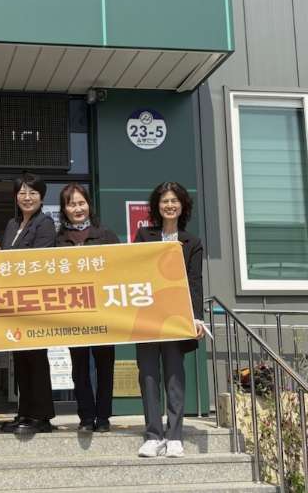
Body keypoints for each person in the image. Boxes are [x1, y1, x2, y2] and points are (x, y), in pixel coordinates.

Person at [134, 181, 205, 459]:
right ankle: (154, 436)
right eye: (164, 201)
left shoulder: (192, 242)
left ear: (183, 205)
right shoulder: (144, 235)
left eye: (174, 200)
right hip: (148, 317)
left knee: (175, 376)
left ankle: (174, 436)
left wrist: (197, 318)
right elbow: (135, 271)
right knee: (149, 376)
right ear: (157, 206)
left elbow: (195, 282)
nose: (170, 205)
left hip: (177, 318)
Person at [55, 183, 120, 433]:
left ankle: (103, 417)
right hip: (74, 312)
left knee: (105, 365)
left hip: (103, 311)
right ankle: (85, 416)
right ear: (64, 209)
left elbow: (122, 267)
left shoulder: (105, 235)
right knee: (79, 366)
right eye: (71, 204)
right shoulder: (58, 240)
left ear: (89, 205)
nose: (77, 208)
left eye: (81, 203)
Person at [0, 172, 57, 434]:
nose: (27, 197)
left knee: (36, 358)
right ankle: (24, 412)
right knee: (20, 359)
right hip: (14, 302)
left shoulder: (44, 223)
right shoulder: (13, 224)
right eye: (22, 192)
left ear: (41, 197)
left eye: (33, 192)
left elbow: (37, 261)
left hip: (34, 301)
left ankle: (41, 416)